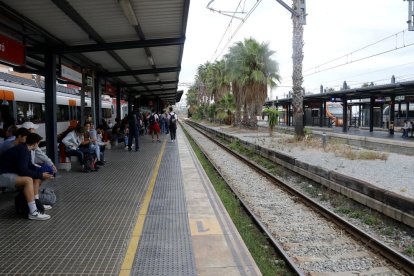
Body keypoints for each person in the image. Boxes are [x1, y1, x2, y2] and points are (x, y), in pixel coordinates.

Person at [0, 133, 54, 220]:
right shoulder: (23, 151)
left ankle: (37, 204)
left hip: (10, 172)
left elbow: (29, 166)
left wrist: (41, 172)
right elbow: (23, 171)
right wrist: (41, 174)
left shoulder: (26, 149)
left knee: (35, 178)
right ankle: (33, 212)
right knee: (28, 180)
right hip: (2, 174)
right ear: (36, 143)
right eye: (38, 143)